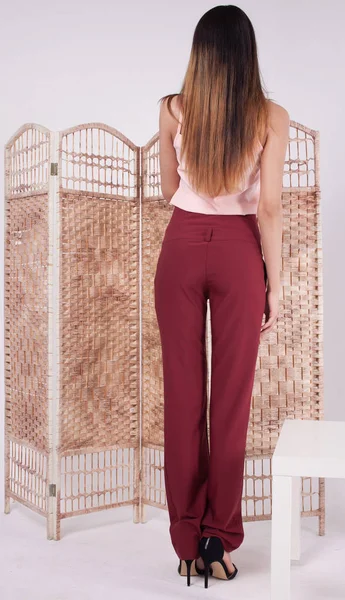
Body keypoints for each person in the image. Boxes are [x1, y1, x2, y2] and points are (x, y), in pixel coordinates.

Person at [154, 4, 289, 588]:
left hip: (181, 248)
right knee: (230, 402)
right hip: (239, 254)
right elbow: (270, 209)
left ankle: (185, 541)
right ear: (246, 54)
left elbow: (168, 188)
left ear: (200, 54)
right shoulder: (270, 115)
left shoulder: (172, 108)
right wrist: (275, 283)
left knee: (183, 397)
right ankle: (218, 540)